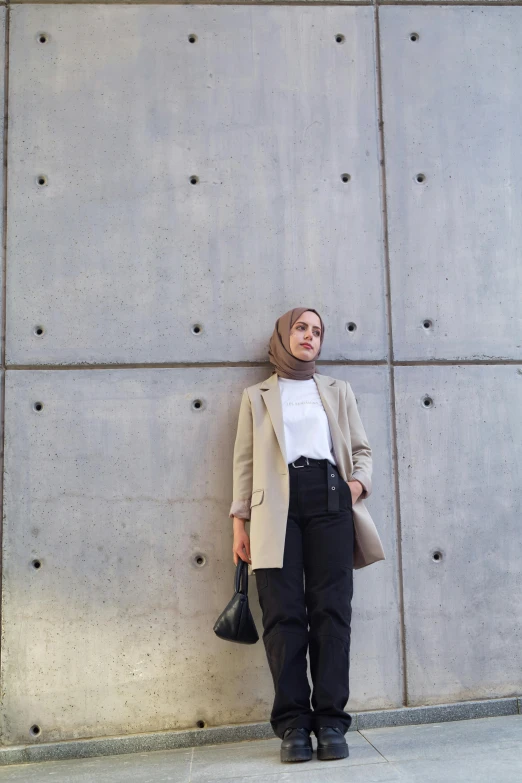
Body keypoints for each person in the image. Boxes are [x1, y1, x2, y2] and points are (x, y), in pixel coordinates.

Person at [229, 307, 384, 763]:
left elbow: (361, 449)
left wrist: (357, 485)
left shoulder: (337, 391)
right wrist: (239, 522)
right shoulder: (256, 396)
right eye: (301, 328)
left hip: (331, 503)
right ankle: (293, 725)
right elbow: (244, 463)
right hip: (273, 509)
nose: (309, 337)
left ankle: (332, 722)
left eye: (317, 331)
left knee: (332, 611)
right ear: (283, 334)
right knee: (282, 615)